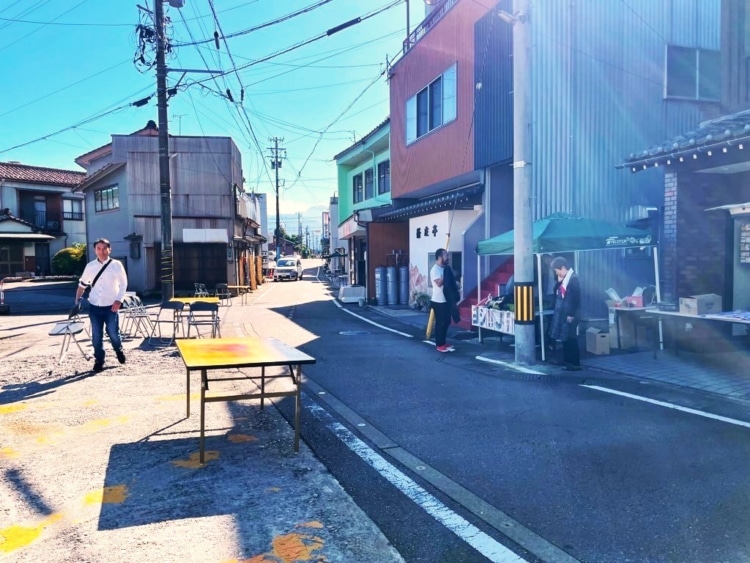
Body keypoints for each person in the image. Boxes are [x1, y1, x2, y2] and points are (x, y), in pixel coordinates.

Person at [75, 238, 128, 373]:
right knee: (96, 336)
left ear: (109, 249)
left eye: (105, 248)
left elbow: (124, 284)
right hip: (94, 306)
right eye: (99, 248)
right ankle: (99, 360)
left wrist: (119, 300)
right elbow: (82, 285)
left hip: (111, 306)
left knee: (113, 334)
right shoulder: (90, 266)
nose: (102, 251)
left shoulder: (116, 265)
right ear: (95, 250)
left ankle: (118, 350)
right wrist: (77, 301)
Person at [547, 256, 581, 371]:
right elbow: (555, 291)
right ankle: (568, 362)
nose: (557, 273)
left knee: (570, 337)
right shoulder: (565, 279)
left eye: (557, 271)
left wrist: (571, 314)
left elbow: (576, 298)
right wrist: (559, 281)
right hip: (563, 312)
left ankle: (575, 363)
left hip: (570, 313)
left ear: (562, 268)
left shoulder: (573, 279)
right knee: (564, 337)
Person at [430, 248, 454, 353]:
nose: (448, 257)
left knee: (447, 321)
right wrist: (446, 274)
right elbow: (439, 283)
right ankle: (439, 344)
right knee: (440, 323)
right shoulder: (435, 269)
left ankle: (443, 342)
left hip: (446, 300)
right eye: (446, 256)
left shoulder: (444, 268)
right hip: (438, 301)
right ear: (440, 257)